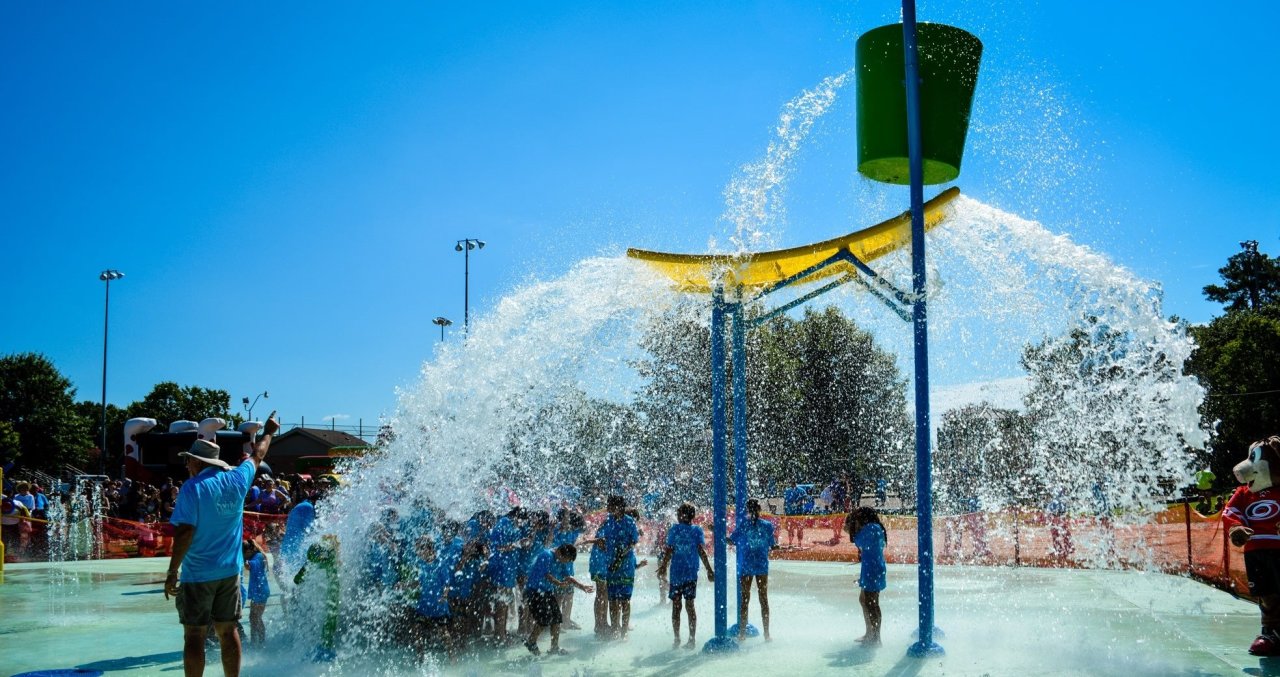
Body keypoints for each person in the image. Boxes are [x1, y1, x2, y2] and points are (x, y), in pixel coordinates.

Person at [164, 412, 279, 677]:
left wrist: (172, 571)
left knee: (194, 634)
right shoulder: (238, 479)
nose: (186, 466)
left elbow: (184, 533)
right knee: (228, 632)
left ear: (195, 461)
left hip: (198, 574)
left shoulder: (192, 488)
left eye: (188, 461)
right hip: (229, 572)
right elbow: (258, 455)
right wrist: (270, 431)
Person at [656, 503, 713, 649]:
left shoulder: (680, 530)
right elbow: (700, 551)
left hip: (680, 574)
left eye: (679, 513)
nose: (678, 515)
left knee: (679, 606)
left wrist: (663, 567)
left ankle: (681, 639)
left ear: (683, 515)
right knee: (688, 606)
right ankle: (687, 639)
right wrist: (708, 570)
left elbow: (670, 551)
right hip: (687, 574)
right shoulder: (688, 530)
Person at [523, 543, 593, 656]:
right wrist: (559, 584)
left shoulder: (560, 558)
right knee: (544, 618)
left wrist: (582, 586)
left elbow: (567, 576)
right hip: (534, 591)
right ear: (560, 553)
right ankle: (531, 641)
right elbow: (546, 574)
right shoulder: (546, 555)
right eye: (567, 560)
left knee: (557, 618)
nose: (566, 562)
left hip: (546, 591)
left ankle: (554, 647)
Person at [729, 498, 775, 642]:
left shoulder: (744, 524)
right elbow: (771, 545)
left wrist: (718, 534)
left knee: (745, 600)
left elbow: (732, 540)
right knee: (763, 599)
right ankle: (767, 634)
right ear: (759, 510)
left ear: (748, 511)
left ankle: (742, 634)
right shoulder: (767, 526)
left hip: (747, 565)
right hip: (760, 565)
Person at [845, 507, 887, 647]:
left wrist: (850, 528)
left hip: (873, 569)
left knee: (871, 603)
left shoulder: (872, 529)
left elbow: (857, 540)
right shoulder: (872, 528)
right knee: (864, 599)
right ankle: (870, 633)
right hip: (870, 568)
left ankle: (876, 637)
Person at [598, 495, 639, 639]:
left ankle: (624, 630)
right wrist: (601, 543)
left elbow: (633, 543)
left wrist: (620, 557)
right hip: (611, 566)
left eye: (610, 505)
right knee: (613, 600)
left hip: (626, 566)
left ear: (619, 507)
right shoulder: (607, 521)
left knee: (625, 600)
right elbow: (601, 537)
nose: (608, 508)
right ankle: (615, 628)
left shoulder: (629, 522)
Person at [241, 539, 271, 646]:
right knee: (252, 618)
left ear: (249, 550)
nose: (243, 556)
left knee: (256, 618)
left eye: (243, 554)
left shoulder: (258, 556)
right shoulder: (255, 555)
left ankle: (262, 642)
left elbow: (252, 564)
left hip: (261, 591)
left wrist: (246, 562)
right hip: (257, 591)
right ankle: (254, 642)